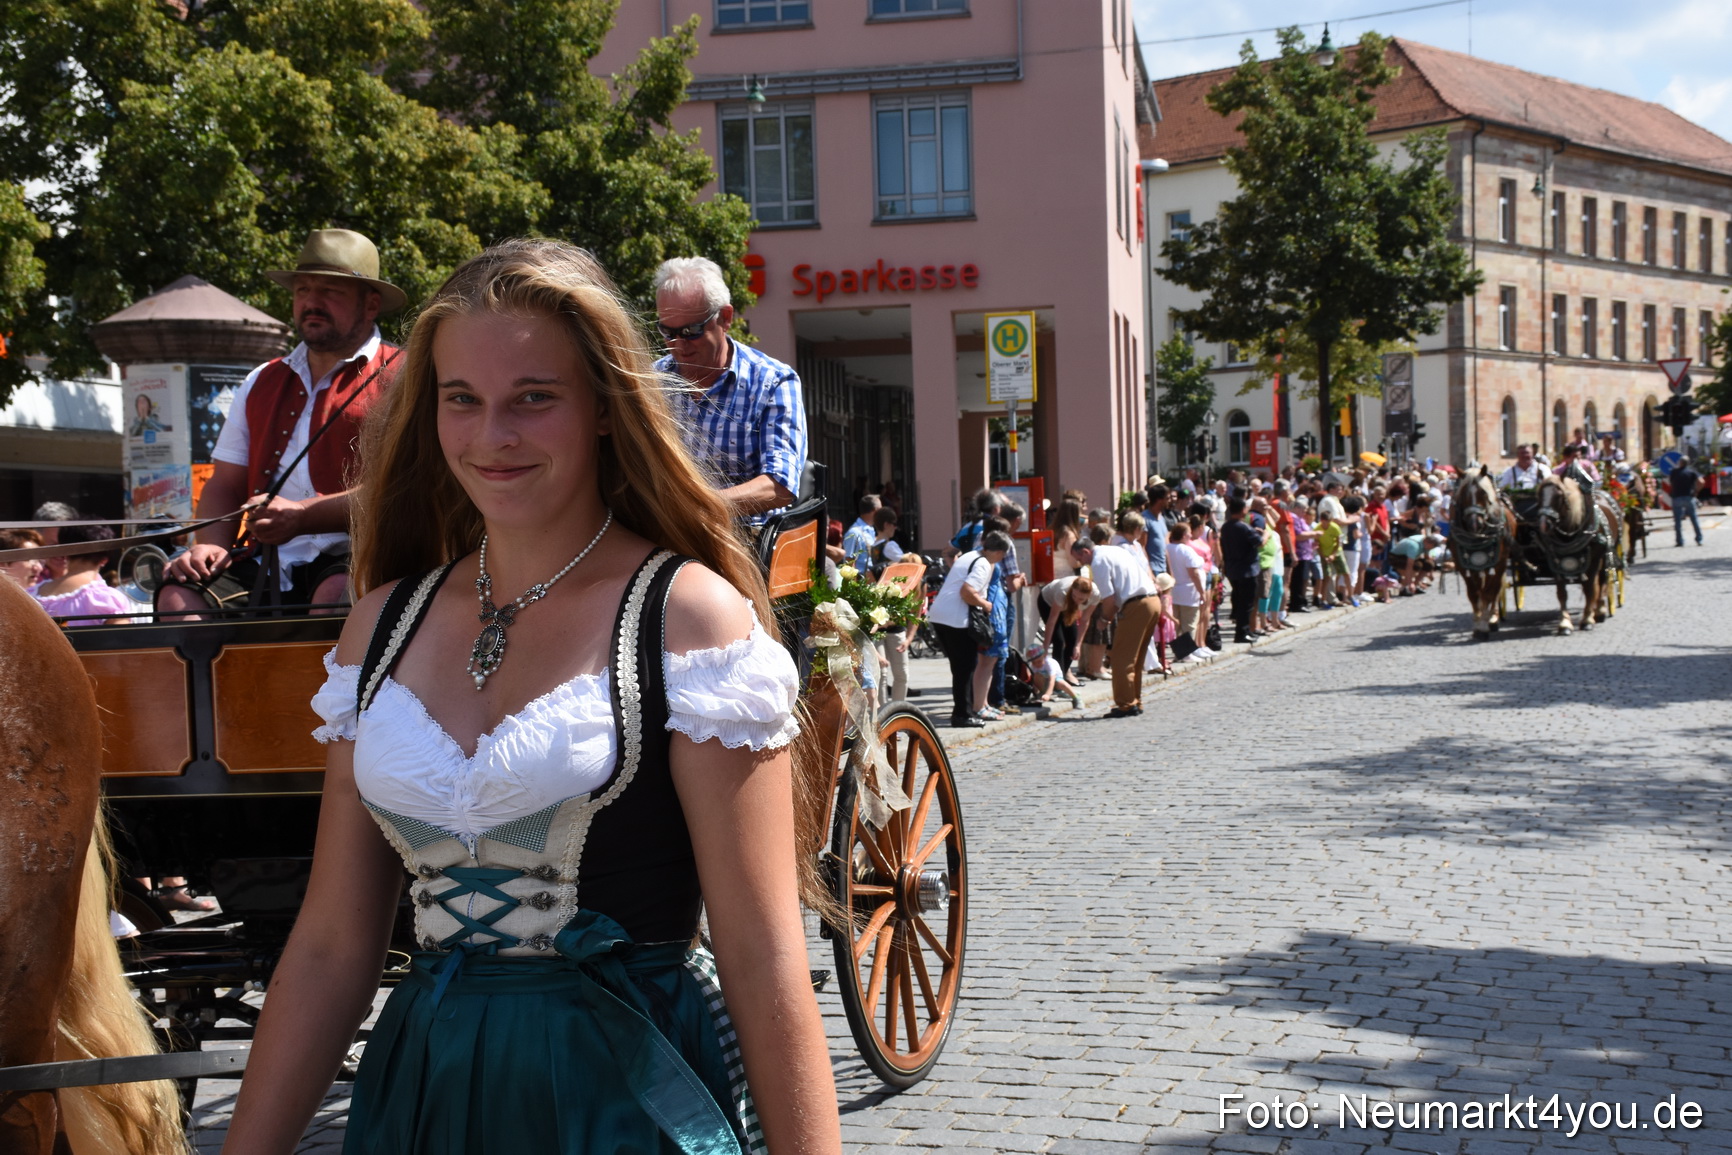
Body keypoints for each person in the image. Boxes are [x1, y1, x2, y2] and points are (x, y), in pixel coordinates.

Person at [222, 240, 840, 1154]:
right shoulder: (381, 625)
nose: (491, 436)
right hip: (422, 1096)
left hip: (620, 1100)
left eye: (534, 397)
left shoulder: (688, 620)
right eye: (461, 399)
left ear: (604, 407)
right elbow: (329, 948)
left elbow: (762, 954)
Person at [158, 229, 405, 619]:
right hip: (267, 558)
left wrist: (305, 515)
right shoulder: (261, 379)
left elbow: (406, 487)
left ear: (370, 304)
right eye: (303, 290)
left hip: (364, 552)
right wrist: (210, 545)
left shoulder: (405, 376)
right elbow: (225, 483)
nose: (312, 302)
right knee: (178, 597)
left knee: (335, 594)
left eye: (330, 291)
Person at [653, 257, 808, 525]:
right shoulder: (651, 382)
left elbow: (779, 486)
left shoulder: (772, 382)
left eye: (691, 331)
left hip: (746, 535)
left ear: (725, 318)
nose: (679, 344)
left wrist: (698, 508)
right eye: (668, 332)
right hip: (665, 533)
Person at [928, 530, 1012, 728]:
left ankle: (963, 712)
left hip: (941, 616)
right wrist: (986, 604)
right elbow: (967, 592)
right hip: (957, 620)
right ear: (999, 552)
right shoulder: (983, 564)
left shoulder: (969, 555)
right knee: (965, 669)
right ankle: (963, 715)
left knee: (960, 669)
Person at [1080, 521, 1159, 719]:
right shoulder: (1115, 550)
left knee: (1122, 657)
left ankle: (1126, 704)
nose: (1081, 564)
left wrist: (1104, 619)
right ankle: (1135, 700)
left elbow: (1109, 600)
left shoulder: (1098, 562)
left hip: (1136, 606)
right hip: (1152, 600)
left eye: (1079, 558)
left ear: (1085, 551)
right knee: (1136, 658)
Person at [30, 524, 137, 626]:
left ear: (65, 553)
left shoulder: (30, 595)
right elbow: (122, 637)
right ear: (104, 560)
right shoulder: (107, 599)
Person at [1219, 498, 1262, 645]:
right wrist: (1265, 535)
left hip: (1233, 569)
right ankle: (1242, 633)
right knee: (1246, 603)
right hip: (1247, 570)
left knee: (1239, 601)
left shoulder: (1226, 527)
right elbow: (1259, 542)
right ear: (1243, 510)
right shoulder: (1244, 527)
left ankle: (1245, 630)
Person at [1040, 572, 1096, 679]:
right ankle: (1057, 679)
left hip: (1068, 607)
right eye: (1074, 596)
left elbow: (1085, 620)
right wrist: (1045, 648)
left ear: (1089, 596)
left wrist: (1078, 646)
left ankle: (1062, 676)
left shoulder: (1096, 595)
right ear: (1072, 590)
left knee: (1073, 641)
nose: (1077, 600)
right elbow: (1052, 621)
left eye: (1081, 599)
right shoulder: (1063, 592)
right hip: (1048, 602)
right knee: (1059, 641)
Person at [1026, 642, 1082, 707]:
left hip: (1055, 681)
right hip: (1044, 683)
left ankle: (1076, 697)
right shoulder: (1033, 667)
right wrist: (1035, 692)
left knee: (1061, 683)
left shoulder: (1049, 663)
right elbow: (1033, 681)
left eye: (1039, 661)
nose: (1036, 664)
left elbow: (1051, 680)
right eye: (1034, 662)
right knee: (1035, 676)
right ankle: (1043, 693)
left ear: (1044, 656)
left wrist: (1048, 694)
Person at [1669, 456, 1704, 547]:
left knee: (1677, 521)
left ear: (1680, 463)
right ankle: (1699, 539)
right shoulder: (1691, 472)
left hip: (1677, 497)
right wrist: (1696, 491)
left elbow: (1671, 483)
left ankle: (1679, 541)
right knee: (1694, 519)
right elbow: (1701, 482)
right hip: (1689, 497)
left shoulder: (1674, 472)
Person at [841, 494, 880, 571]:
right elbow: (848, 564)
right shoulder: (854, 533)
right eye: (880, 510)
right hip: (861, 578)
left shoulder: (871, 530)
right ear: (875, 511)